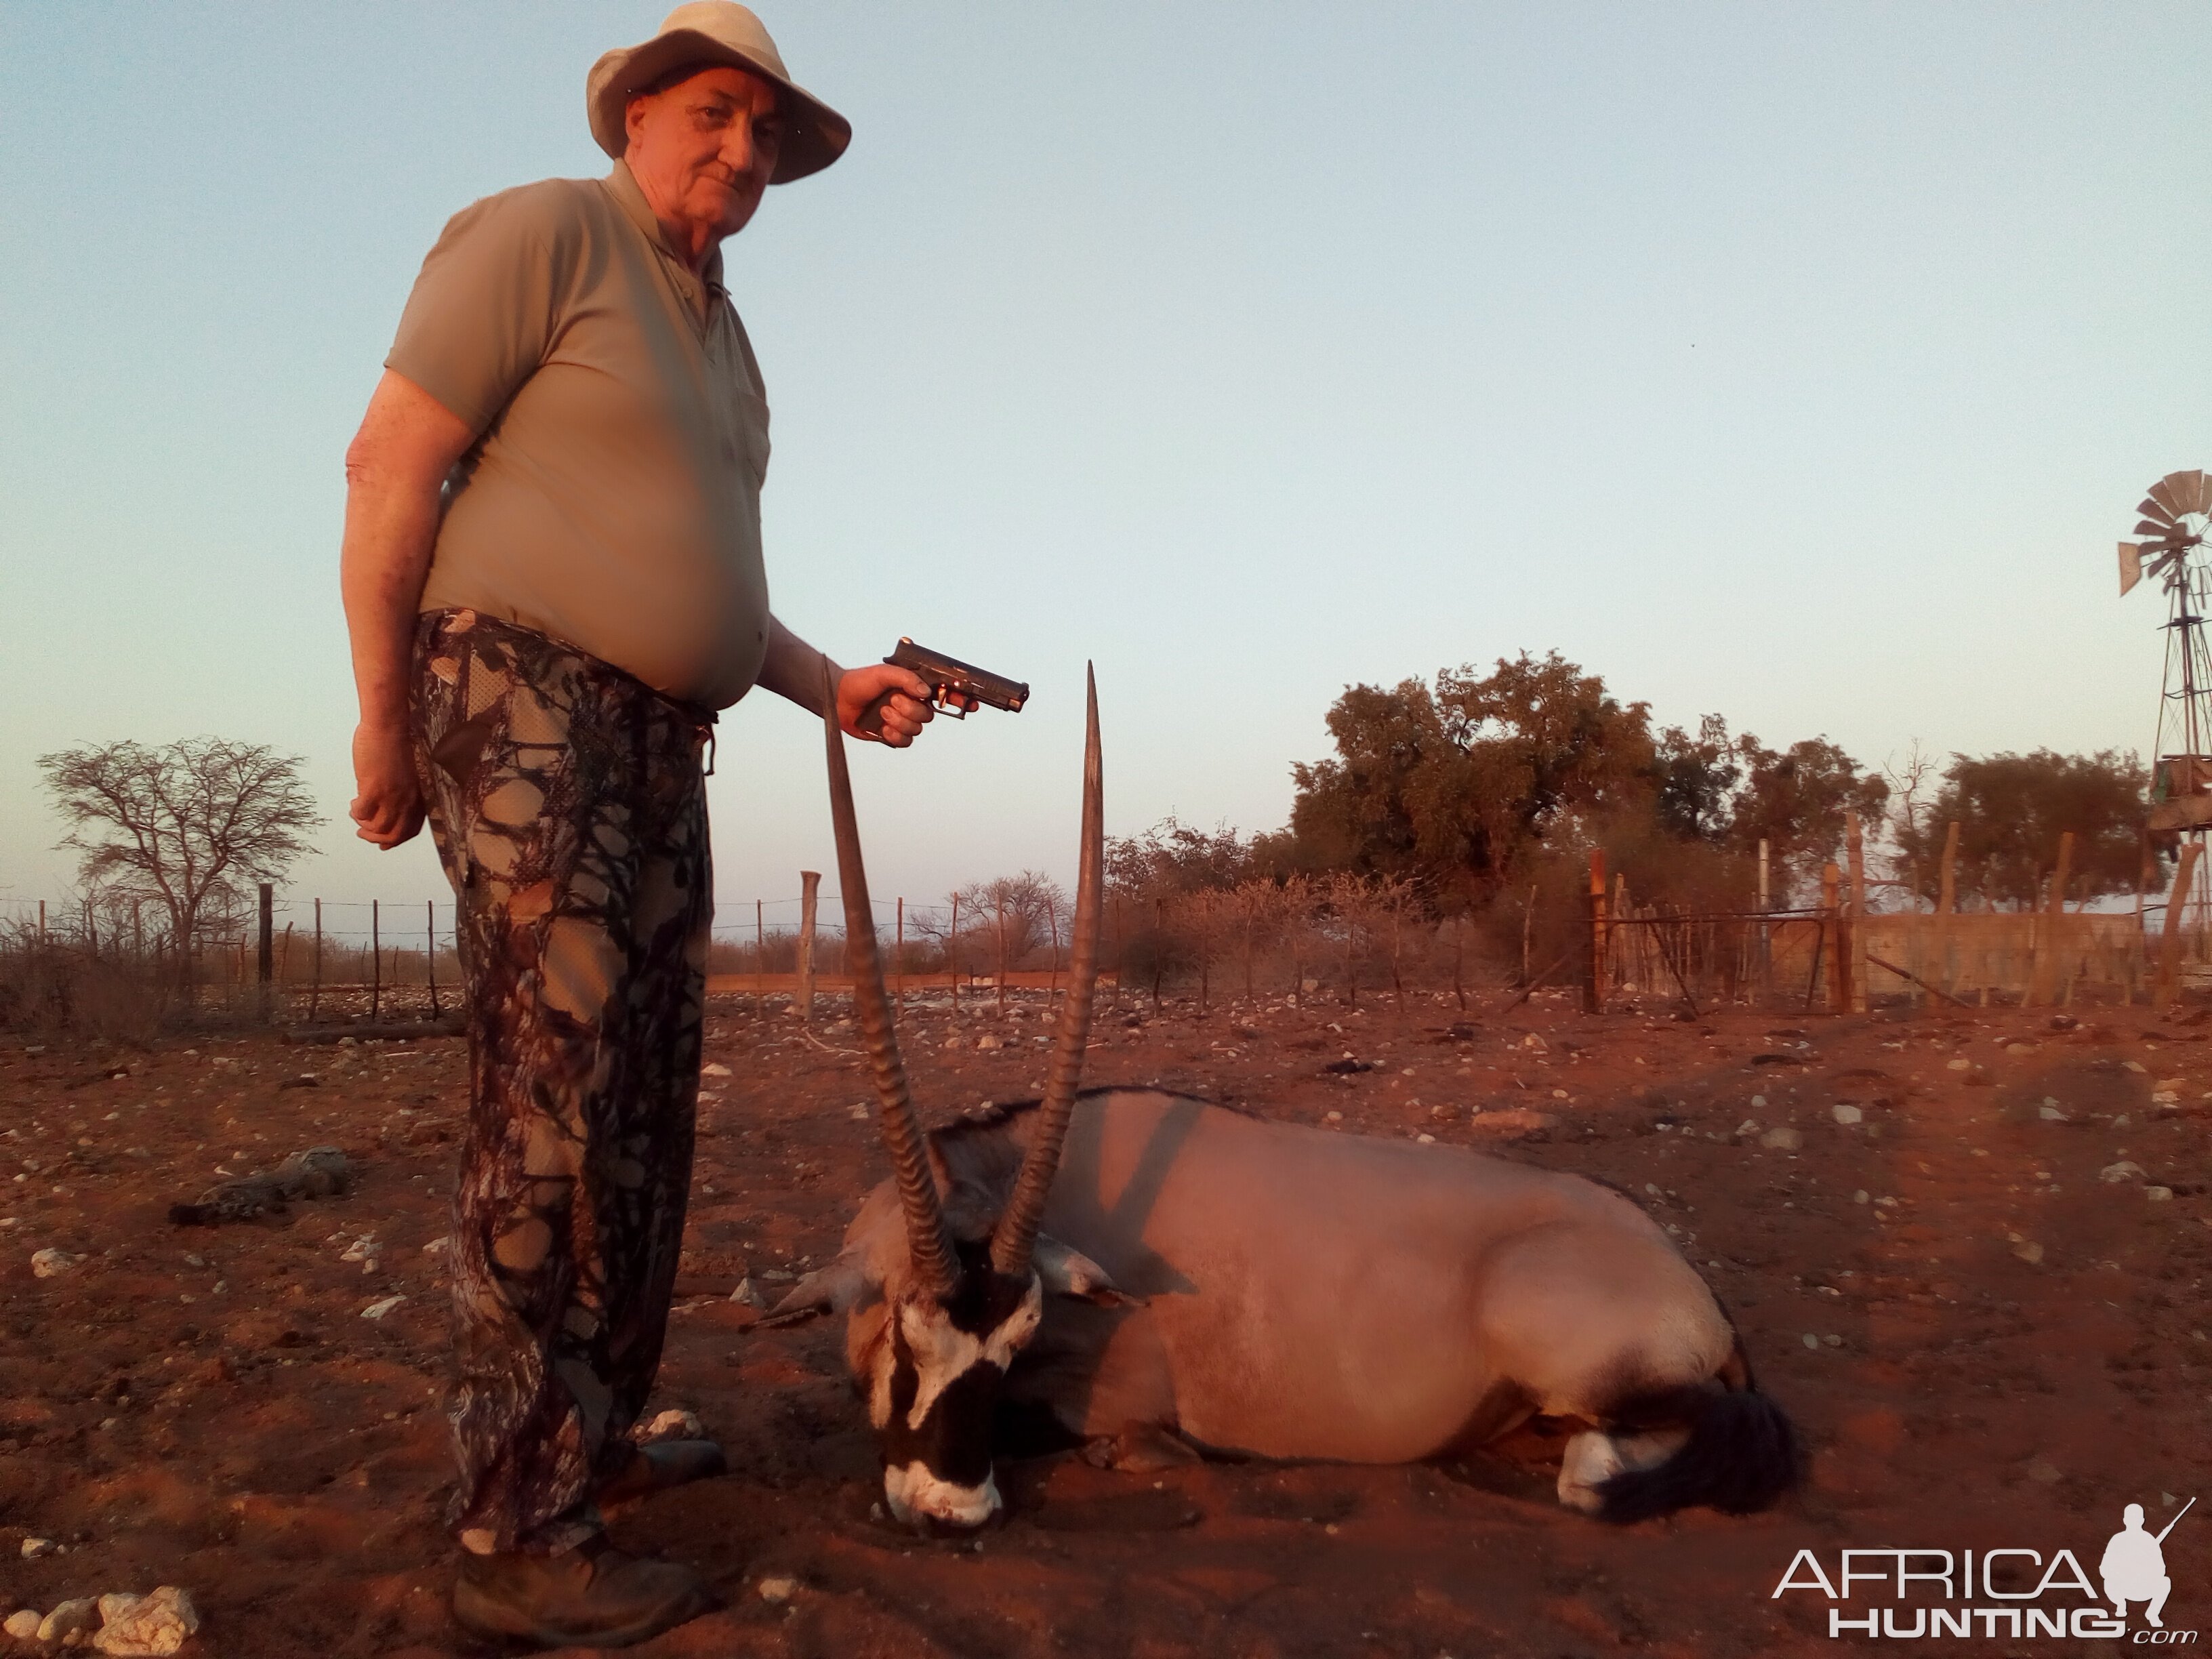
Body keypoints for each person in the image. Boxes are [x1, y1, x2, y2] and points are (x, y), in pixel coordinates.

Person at [337, 5, 934, 1645]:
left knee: (651, 1093)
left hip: (669, 734)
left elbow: (707, 587)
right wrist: (387, 715)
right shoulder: (548, 232)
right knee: (554, 1083)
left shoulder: (723, 339)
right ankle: (514, 1515)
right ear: (639, 115)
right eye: (714, 115)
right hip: (521, 693)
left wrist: (834, 685)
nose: (741, 153)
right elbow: (391, 463)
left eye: (767, 135)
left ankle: (587, 1425)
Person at [2101, 1502, 2173, 1628]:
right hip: (2121, 1588)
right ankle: (2120, 1604)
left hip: (2144, 1588)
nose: (2133, 1521)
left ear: (2142, 1521)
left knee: (2165, 1582)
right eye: (2131, 1518)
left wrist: (2144, 1569)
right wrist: (2121, 1571)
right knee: (2108, 1581)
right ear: (2124, 1520)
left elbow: (2161, 1570)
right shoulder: (2117, 1540)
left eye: (2136, 1518)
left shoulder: (2149, 1540)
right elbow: (2104, 1569)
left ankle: (2153, 1613)